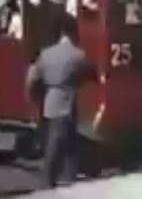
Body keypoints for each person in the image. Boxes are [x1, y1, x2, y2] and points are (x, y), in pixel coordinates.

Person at [25, 14, 95, 189]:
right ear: (73, 32)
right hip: (67, 103)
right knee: (64, 147)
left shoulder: (46, 54)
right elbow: (91, 75)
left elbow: (32, 79)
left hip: (48, 103)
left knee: (55, 144)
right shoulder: (78, 55)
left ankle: (55, 183)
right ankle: (59, 185)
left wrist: (35, 98)